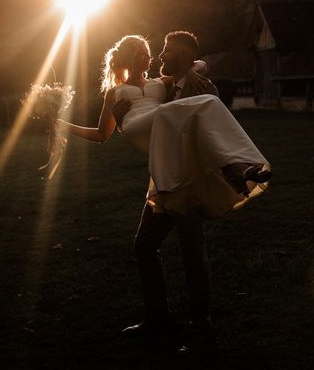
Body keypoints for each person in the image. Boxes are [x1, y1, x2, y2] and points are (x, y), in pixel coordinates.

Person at [57, 31, 271, 353]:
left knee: (191, 252)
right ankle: (158, 316)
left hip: (183, 172)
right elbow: (102, 135)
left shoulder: (164, 84)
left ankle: (202, 330)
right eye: (141, 52)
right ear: (126, 57)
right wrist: (64, 126)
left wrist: (198, 69)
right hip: (160, 162)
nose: (150, 57)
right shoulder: (115, 92)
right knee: (145, 246)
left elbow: (191, 68)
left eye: (150, 52)